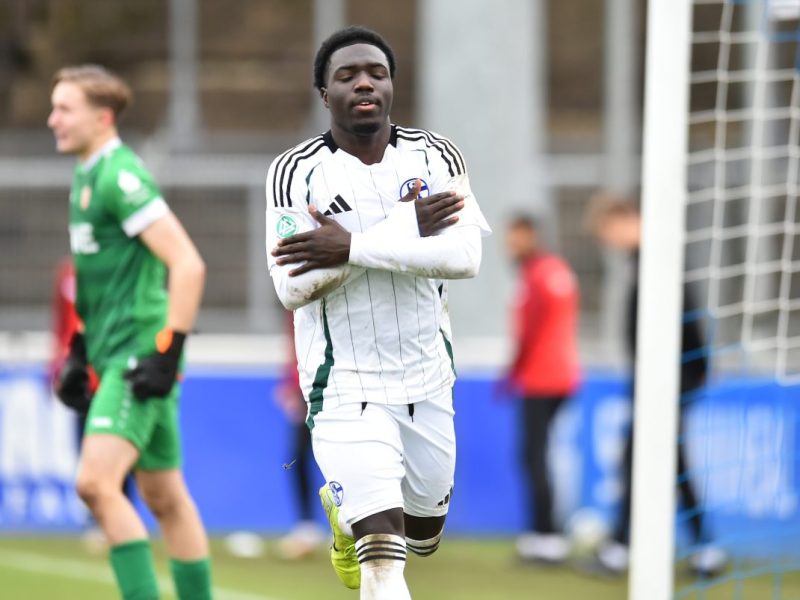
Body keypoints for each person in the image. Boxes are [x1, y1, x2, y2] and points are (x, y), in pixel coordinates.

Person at [266, 26, 491, 599]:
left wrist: (350, 245)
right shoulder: (294, 172)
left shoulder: (436, 157)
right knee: (384, 554)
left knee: (422, 536)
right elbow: (294, 287)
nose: (364, 82)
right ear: (324, 93)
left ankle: (341, 519)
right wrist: (412, 229)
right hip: (343, 385)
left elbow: (464, 256)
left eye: (377, 72)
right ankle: (358, 522)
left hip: (427, 378)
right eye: (347, 75)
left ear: (392, 84)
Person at [48, 64, 213, 599]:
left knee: (95, 483)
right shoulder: (86, 174)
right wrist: (79, 346)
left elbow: (188, 264)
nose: (53, 119)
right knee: (164, 496)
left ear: (102, 117)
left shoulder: (121, 177)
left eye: (64, 109)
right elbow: (98, 279)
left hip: (139, 357)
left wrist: (168, 352)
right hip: (116, 351)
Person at [585, 194, 727, 577]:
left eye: (607, 232)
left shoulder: (658, 261)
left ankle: (696, 548)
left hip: (670, 381)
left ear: (625, 219)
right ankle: (683, 547)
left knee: (654, 461)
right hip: (657, 381)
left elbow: (686, 333)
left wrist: (679, 382)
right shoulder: (644, 262)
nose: (608, 241)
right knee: (650, 460)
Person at [502, 216, 579, 563]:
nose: (510, 246)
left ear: (531, 236)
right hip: (564, 376)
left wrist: (511, 373)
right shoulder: (557, 270)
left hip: (540, 379)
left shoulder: (534, 275)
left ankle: (546, 535)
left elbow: (529, 331)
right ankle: (546, 532)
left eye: (515, 238)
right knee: (541, 456)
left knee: (534, 457)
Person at [274, 310, 326, 560]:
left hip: (333, 386)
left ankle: (358, 525)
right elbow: (296, 343)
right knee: (297, 458)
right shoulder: (294, 295)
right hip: (307, 390)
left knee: (338, 457)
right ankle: (306, 528)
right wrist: (291, 384)